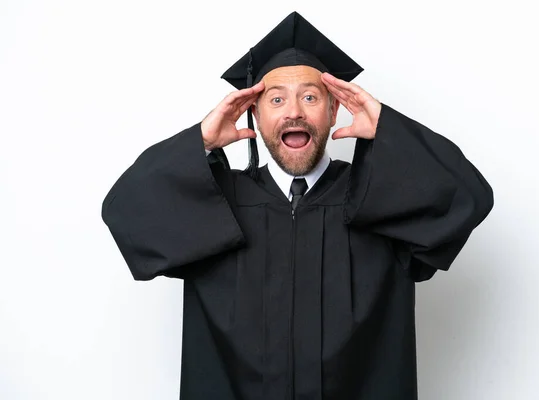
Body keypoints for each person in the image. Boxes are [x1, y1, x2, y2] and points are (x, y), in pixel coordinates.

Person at [101, 11, 494, 400]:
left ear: (333, 110)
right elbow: (125, 214)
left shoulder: (381, 198)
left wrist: (390, 129)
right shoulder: (218, 203)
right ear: (253, 113)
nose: (294, 112)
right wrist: (200, 141)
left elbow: (468, 199)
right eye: (276, 99)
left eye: (310, 97)